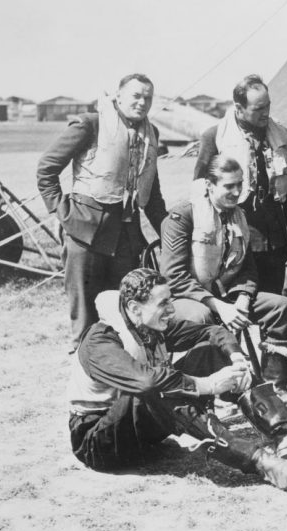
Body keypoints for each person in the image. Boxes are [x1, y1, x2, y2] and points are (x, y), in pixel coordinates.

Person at [68, 268, 287, 491]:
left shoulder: (150, 324)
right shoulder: (100, 340)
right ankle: (260, 462)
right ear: (133, 307)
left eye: (171, 302)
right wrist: (209, 385)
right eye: (163, 303)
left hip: (141, 432)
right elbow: (146, 383)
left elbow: (212, 332)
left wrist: (236, 358)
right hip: (99, 443)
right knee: (161, 387)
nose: (171, 310)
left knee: (209, 352)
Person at [161, 154, 287, 413]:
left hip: (229, 295)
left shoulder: (240, 217)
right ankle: (214, 393)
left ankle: (274, 389)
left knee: (281, 306)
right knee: (202, 317)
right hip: (187, 298)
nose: (236, 192)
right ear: (209, 185)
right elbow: (174, 276)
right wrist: (220, 307)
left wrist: (244, 297)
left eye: (239, 185)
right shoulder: (183, 216)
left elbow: (249, 269)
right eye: (228, 186)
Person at [37, 73, 167, 349]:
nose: (142, 102)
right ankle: (84, 371)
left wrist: (168, 236)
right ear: (118, 96)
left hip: (127, 236)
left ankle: (122, 374)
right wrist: (64, 212)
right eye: (136, 95)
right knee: (85, 314)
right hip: (85, 232)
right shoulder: (90, 124)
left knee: (128, 310)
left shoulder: (151, 134)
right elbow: (46, 168)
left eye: (148, 97)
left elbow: (152, 193)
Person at [194, 74, 287, 295]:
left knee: (272, 298)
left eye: (268, 106)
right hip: (235, 234)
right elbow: (200, 189)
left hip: (274, 236)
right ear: (239, 108)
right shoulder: (215, 136)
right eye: (258, 108)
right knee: (239, 296)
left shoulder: (280, 134)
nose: (266, 113)